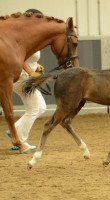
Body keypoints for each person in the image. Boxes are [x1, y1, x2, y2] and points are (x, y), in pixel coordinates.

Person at [6, 9, 46, 151]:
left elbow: (31, 59)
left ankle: (15, 129)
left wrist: (38, 69)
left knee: (41, 108)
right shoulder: (22, 35)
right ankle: (20, 141)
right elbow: (19, 56)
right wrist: (31, 72)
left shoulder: (32, 35)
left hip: (29, 77)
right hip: (21, 76)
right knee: (34, 108)